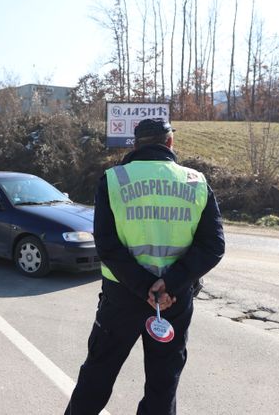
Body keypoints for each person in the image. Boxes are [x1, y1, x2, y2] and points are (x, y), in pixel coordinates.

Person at [65, 118, 225, 415]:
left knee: (97, 374)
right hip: (173, 300)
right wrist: (170, 283)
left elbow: (107, 244)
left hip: (122, 298)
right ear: (170, 143)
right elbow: (213, 246)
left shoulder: (114, 180)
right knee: (162, 385)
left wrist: (143, 286)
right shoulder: (196, 182)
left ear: (135, 145)